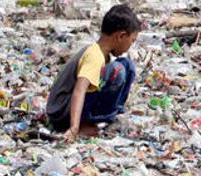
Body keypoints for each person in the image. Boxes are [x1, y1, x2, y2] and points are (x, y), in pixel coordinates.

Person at [46, 4, 141, 142]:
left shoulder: (103, 55)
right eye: (132, 41)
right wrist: (74, 128)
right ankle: (85, 124)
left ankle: (110, 116)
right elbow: (79, 90)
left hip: (65, 109)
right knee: (117, 70)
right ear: (120, 36)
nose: (130, 47)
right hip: (62, 113)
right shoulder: (94, 55)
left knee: (127, 66)